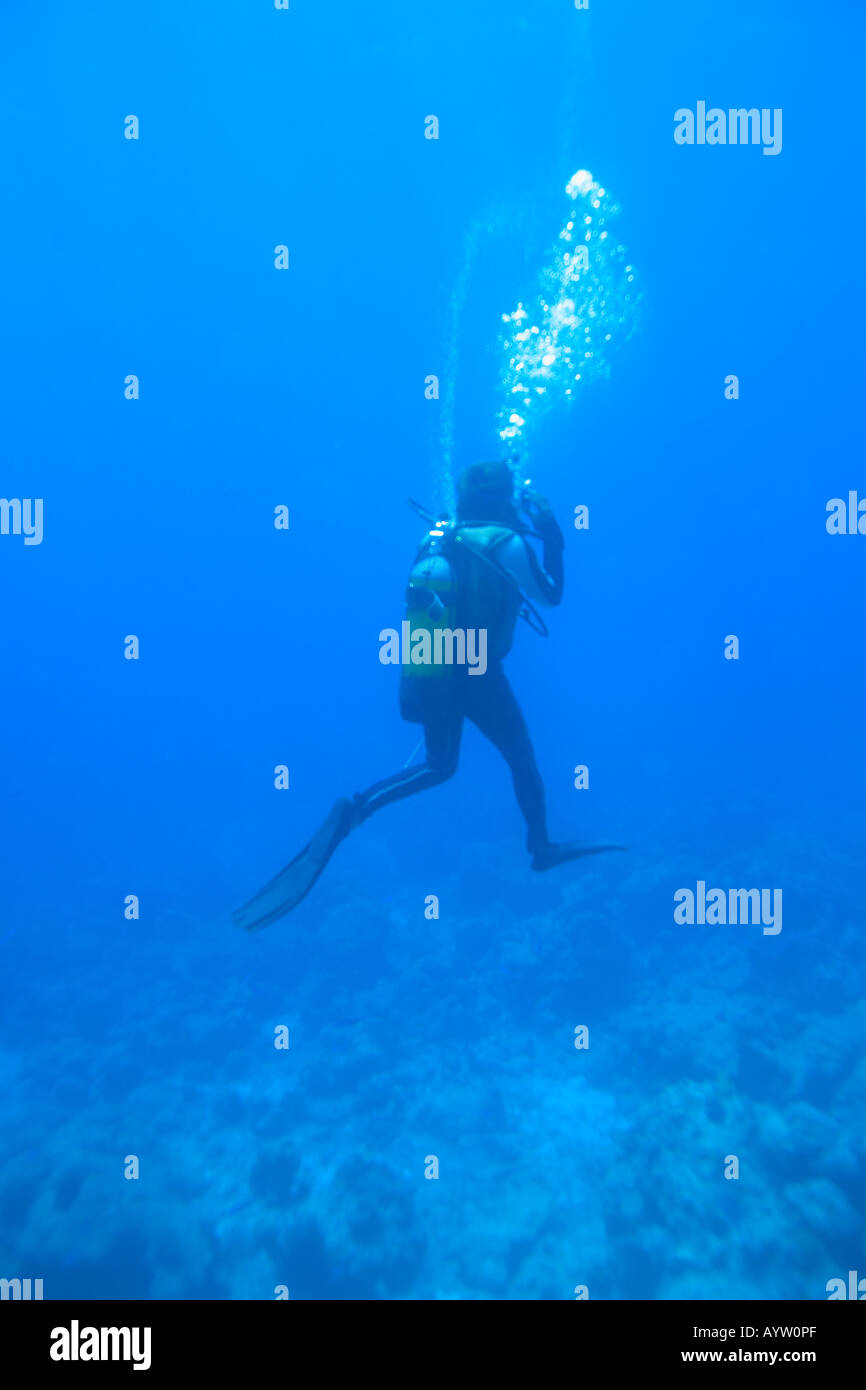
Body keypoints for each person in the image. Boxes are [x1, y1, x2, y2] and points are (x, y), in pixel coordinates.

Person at [233, 461, 623, 931]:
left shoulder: (436, 536)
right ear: (506, 500)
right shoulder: (507, 543)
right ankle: (541, 848)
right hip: (478, 667)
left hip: (432, 662)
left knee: (440, 765)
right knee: (521, 757)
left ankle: (357, 807)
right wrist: (552, 532)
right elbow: (552, 597)